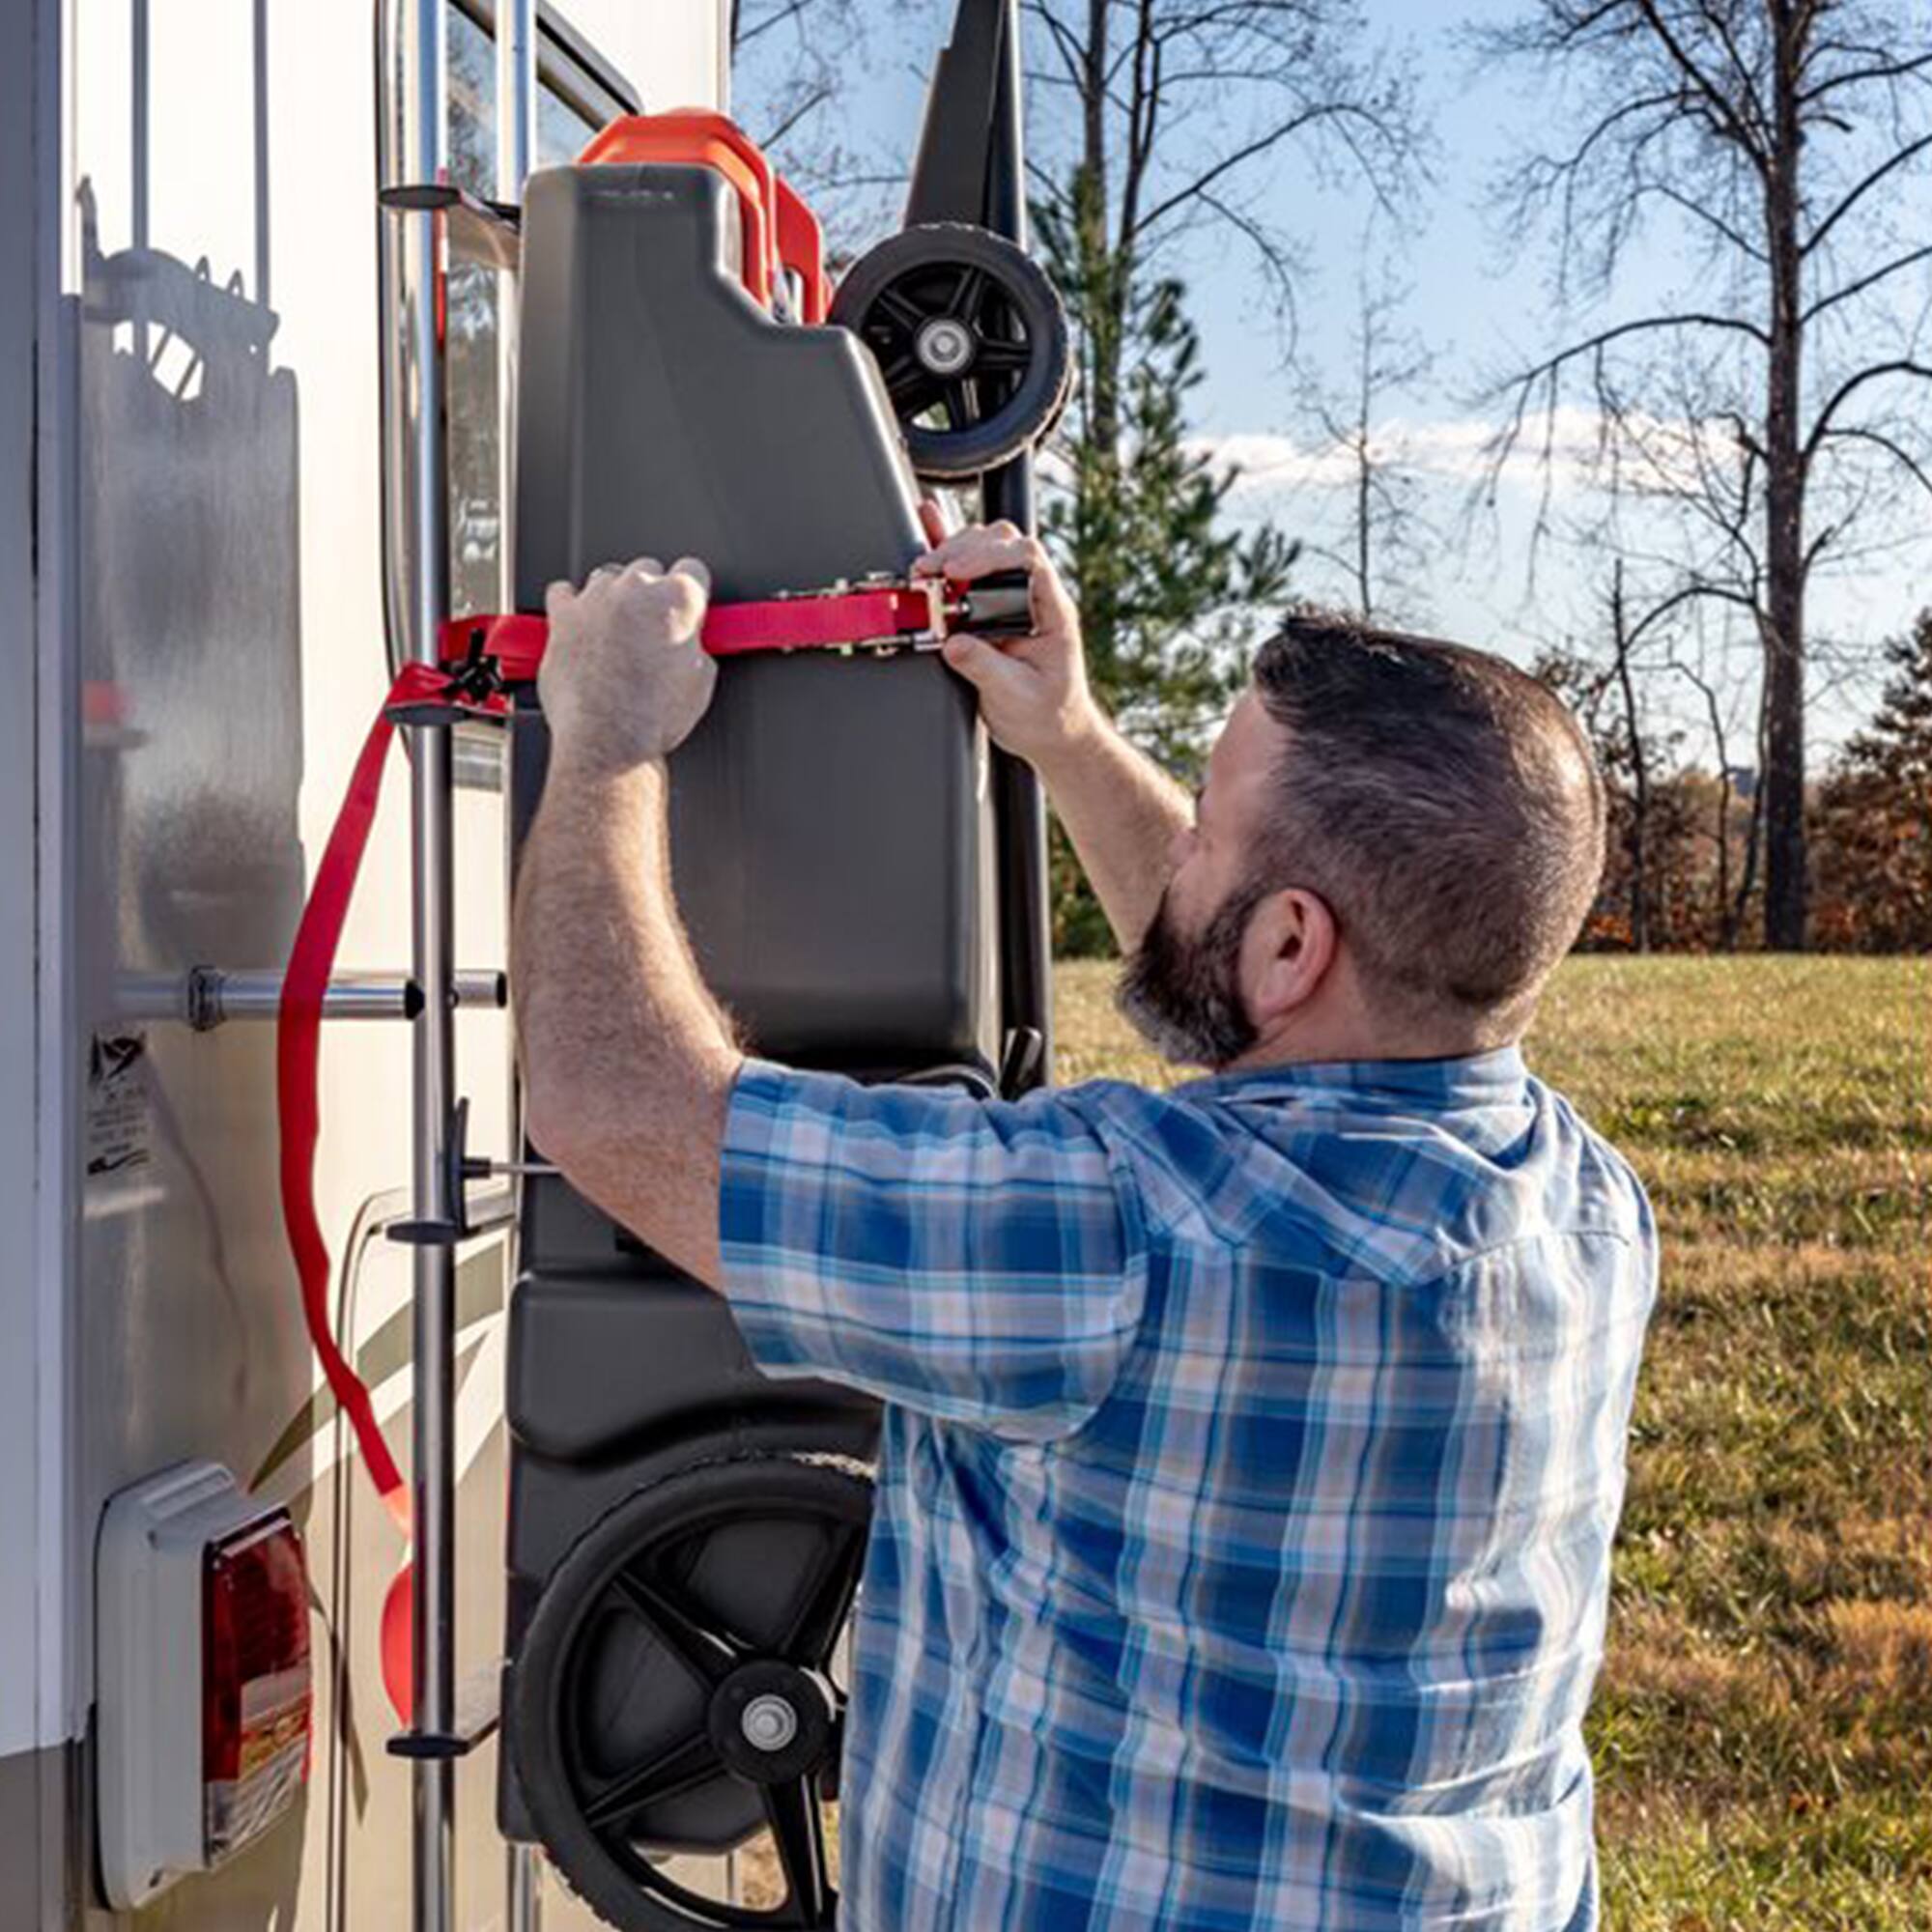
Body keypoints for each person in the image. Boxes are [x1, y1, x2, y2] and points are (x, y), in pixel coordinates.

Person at [512, 524, 1659, 1932]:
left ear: (1294, 944)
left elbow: (612, 1102)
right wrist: (1060, 730)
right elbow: (1260, 1018)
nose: (1175, 858)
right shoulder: (1590, 1211)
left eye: (1206, 835)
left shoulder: (1119, 1238)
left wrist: (611, 740)